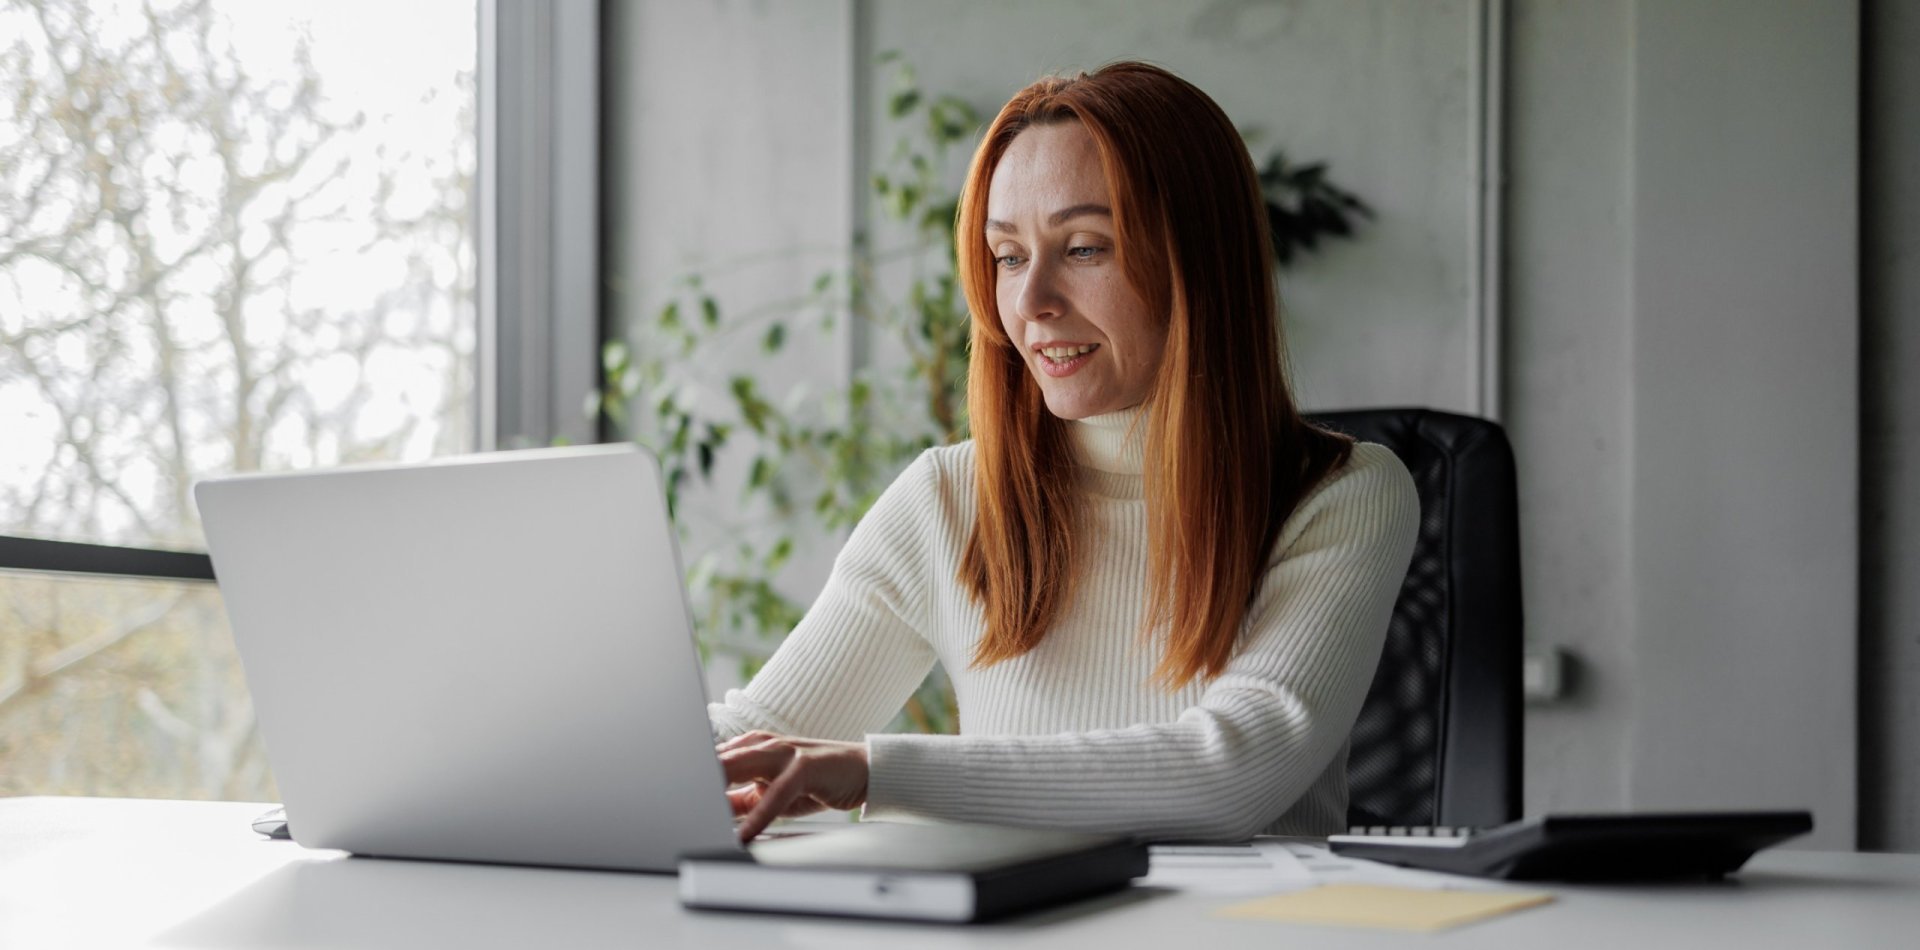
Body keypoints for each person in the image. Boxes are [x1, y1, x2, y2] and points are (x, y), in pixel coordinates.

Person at [710, 61, 1418, 843]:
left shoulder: (1340, 495)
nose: (1031, 301)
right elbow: (756, 741)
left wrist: (880, 773)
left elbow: (1232, 775)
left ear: (1198, 261)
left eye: (1083, 248)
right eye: (1008, 256)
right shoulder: (949, 497)